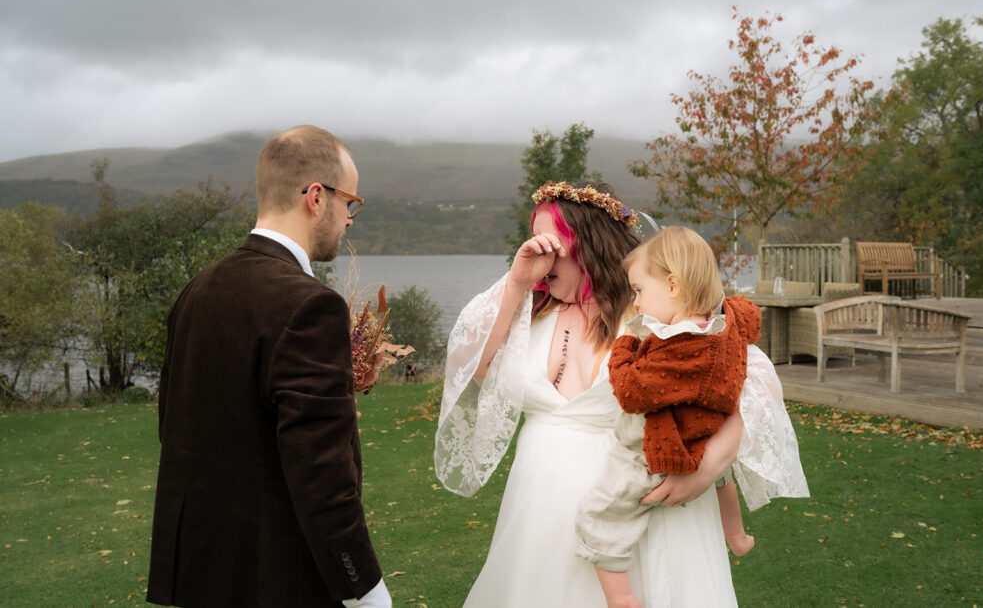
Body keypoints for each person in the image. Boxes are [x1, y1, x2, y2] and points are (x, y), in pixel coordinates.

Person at [435, 181, 745, 607]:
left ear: (589, 242)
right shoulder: (527, 308)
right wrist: (517, 283)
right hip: (539, 518)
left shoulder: (658, 309)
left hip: (648, 519)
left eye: (554, 243)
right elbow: (472, 368)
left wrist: (707, 469)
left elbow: (735, 393)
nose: (543, 253)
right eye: (535, 239)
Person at [148, 125, 391, 608]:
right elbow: (321, 475)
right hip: (278, 576)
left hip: (201, 572)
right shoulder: (310, 306)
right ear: (317, 197)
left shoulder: (197, 290)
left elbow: (178, 430)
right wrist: (365, 589)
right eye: (350, 203)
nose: (350, 220)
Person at [576, 226, 808, 608]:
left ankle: (620, 596)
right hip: (705, 436)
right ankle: (736, 535)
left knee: (601, 512)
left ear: (672, 286)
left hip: (660, 447)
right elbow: (750, 317)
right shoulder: (727, 322)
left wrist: (623, 347)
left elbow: (633, 393)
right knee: (721, 478)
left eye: (638, 291)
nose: (634, 303)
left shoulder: (680, 348)